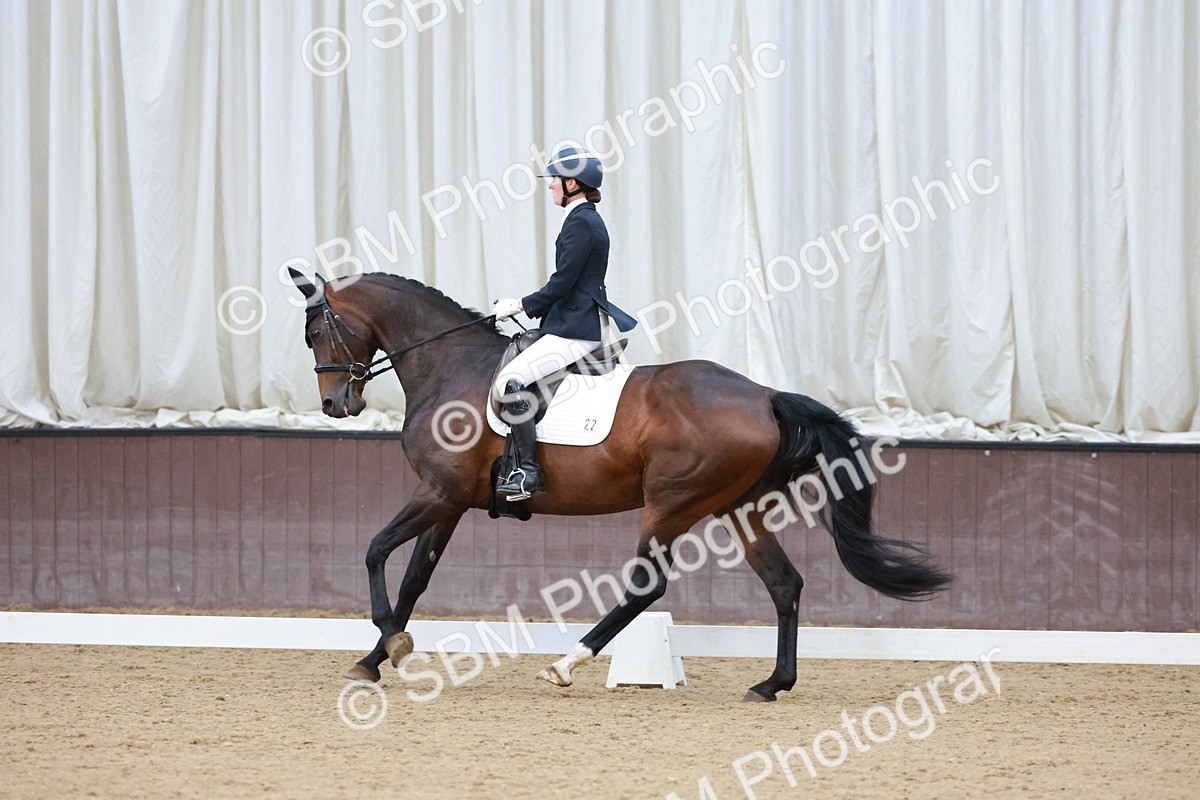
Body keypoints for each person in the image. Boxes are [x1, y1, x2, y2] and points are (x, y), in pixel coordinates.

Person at [491, 146, 638, 501]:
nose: (550, 186)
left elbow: (562, 283)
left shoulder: (581, 222)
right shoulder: (582, 218)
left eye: (554, 180)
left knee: (511, 380)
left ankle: (528, 472)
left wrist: (520, 305)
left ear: (572, 184)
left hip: (576, 328)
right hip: (574, 320)